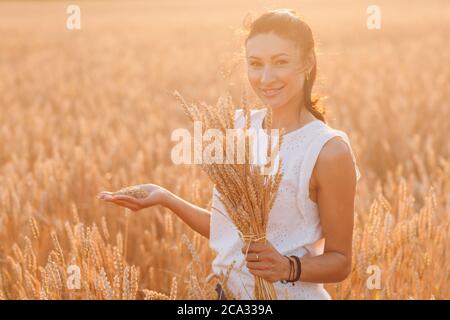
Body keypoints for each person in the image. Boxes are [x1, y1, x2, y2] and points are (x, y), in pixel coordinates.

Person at [98, 9, 361, 300]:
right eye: (255, 64)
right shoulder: (238, 127)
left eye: (280, 62)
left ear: (308, 62)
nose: (266, 77)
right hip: (228, 296)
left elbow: (340, 261)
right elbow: (229, 230)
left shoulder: (328, 149)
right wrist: (165, 197)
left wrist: (287, 267)